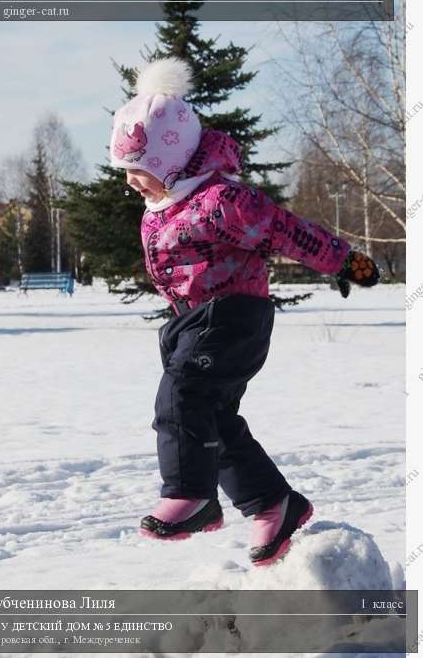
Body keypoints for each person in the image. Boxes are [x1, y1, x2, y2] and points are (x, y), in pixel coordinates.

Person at [109, 58, 379, 566]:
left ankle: (194, 495)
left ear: (171, 160)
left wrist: (347, 261)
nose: (131, 183)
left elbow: (286, 229)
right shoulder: (166, 203)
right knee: (212, 415)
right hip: (195, 320)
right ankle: (274, 504)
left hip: (233, 316)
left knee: (183, 394)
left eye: (138, 171)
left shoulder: (221, 201)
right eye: (125, 171)